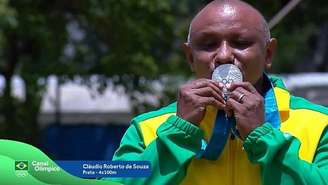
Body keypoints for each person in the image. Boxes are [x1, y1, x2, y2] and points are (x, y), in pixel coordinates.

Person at [105, 0, 328, 184]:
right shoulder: (146, 129)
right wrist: (177, 134)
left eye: (240, 43)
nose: (223, 56)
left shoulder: (320, 124)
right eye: (208, 44)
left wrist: (265, 138)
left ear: (268, 53)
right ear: (190, 57)